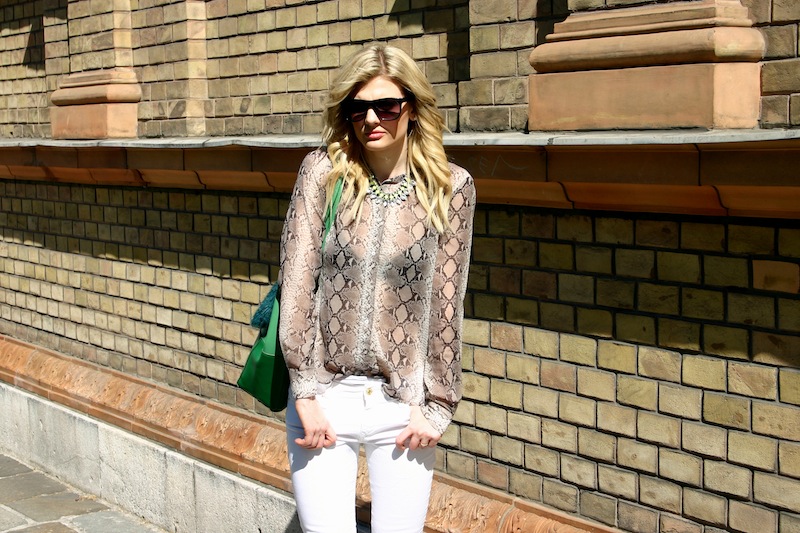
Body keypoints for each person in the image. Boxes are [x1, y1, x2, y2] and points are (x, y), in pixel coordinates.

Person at [278, 42, 475, 533]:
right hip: (324, 395)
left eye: (386, 105)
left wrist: (438, 406)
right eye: (358, 107)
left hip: (403, 403)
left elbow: (446, 303)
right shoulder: (322, 173)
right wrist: (304, 390)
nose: (371, 118)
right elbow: (297, 279)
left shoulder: (450, 187)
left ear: (412, 108)